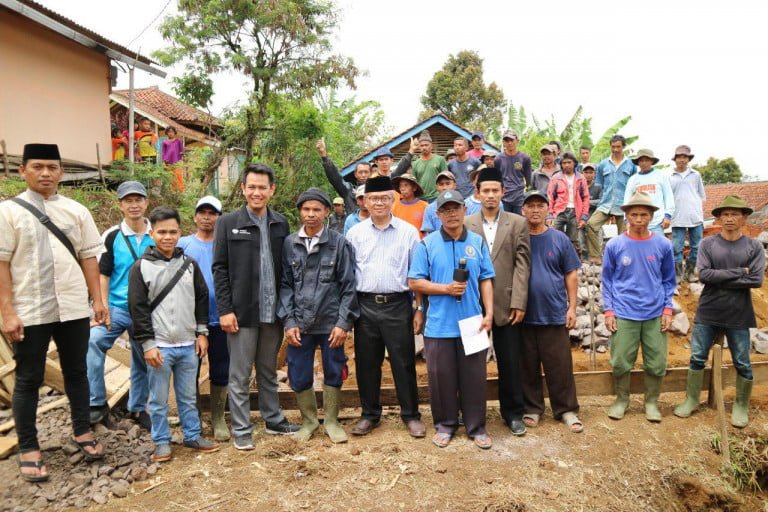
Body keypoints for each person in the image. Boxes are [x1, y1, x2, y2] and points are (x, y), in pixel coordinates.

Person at [0, 143, 107, 482]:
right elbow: (1, 264)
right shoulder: (8, 213)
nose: (45, 173)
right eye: (37, 166)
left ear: (61, 171)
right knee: (28, 378)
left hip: (73, 306)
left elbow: (90, 257)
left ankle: (81, 431)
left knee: (76, 372)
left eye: (51, 167)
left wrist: (98, 300)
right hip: (30, 309)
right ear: (23, 171)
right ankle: (30, 446)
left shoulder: (76, 211)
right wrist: (7, 312)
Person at [212, 163, 299, 450]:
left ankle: (273, 419)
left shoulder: (280, 223)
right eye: (252, 187)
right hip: (242, 313)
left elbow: (287, 268)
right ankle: (241, 427)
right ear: (243, 189)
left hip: (272, 313)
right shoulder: (227, 223)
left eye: (263, 187)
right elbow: (220, 268)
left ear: (272, 190)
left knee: (267, 369)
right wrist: (225, 309)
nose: (257, 192)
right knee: (239, 373)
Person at [129, 207, 220, 461]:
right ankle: (161, 440)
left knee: (188, 395)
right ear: (151, 233)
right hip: (160, 345)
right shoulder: (141, 268)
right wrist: (148, 344)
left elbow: (201, 298)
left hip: (188, 343)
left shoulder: (189, 265)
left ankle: (192, 435)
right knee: (158, 399)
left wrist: (202, 333)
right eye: (161, 232)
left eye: (172, 232)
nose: (167, 237)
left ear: (180, 233)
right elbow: (137, 308)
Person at [409, 189, 495, 449]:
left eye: (455, 208)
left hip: (473, 322)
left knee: (474, 377)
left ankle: (476, 426)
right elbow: (415, 281)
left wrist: (489, 313)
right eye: (445, 209)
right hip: (438, 323)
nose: (451, 214)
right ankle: (445, 425)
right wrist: (445, 288)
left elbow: (486, 279)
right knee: (441, 377)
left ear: (464, 210)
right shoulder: (427, 244)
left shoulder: (478, 243)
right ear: (438, 215)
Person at [674, 196, 765, 427]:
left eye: (735, 214)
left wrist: (721, 276)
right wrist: (739, 272)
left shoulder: (753, 246)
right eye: (725, 214)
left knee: (742, 361)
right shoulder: (708, 244)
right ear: (718, 218)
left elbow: (755, 280)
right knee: (697, 357)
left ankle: (740, 405)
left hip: (739, 312)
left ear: (744, 218)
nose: (730, 218)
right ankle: (692, 399)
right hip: (709, 310)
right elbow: (704, 275)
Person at [278, 188, 359, 443]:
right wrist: (289, 320)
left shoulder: (339, 243)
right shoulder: (290, 244)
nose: (311, 214)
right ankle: (310, 421)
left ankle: (332, 420)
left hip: (330, 322)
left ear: (326, 212)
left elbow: (348, 285)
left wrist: (343, 323)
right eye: (306, 209)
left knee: (334, 369)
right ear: (300, 211)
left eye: (317, 210)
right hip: (300, 323)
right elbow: (285, 285)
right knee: (299, 371)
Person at [346, 176, 425, 438]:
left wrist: (418, 308)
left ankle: (411, 415)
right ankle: (370, 414)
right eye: (374, 198)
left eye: (384, 197)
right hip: (365, 306)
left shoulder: (408, 232)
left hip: (398, 305)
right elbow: (348, 276)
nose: (379, 202)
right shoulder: (355, 233)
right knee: (367, 364)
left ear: (393, 200)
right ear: (365, 201)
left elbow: (416, 274)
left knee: (403, 363)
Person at [465, 167, 530, 436]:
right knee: (471, 362)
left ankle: (513, 413)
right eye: (485, 191)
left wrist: (519, 301)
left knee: (510, 362)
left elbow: (523, 264)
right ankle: (470, 413)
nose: (490, 195)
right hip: (472, 305)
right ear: (477, 194)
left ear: (503, 192)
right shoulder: (466, 223)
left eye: (495, 190)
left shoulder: (517, 223)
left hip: (506, 303)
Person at [602, 191, 676, 422]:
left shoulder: (663, 244)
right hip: (624, 312)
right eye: (634, 214)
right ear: (626, 216)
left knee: (656, 362)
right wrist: (609, 310)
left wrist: (667, 309)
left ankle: (651, 402)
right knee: (621, 360)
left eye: (644, 214)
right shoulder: (615, 245)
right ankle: (622, 400)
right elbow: (608, 280)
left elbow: (668, 280)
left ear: (652, 215)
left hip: (654, 313)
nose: (639, 219)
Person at [87, 181, 154, 428]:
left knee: (143, 356)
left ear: (146, 203)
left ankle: (138, 407)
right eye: (128, 200)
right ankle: (96, 401)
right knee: (94, 342)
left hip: (147, 310)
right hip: (117, 307)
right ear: (120, 205)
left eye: (138, 200)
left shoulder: (157, 233)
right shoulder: (112, 236)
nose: (134, 205)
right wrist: (101, 306)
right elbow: (104, 273)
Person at [519, 191, 583, 433]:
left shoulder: (560, 239)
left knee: (560, 365)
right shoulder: (518, 238)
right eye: (530, 206)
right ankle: (533, 408)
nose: (535, 210)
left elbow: (571, 273)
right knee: (527, 365)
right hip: (523, 314)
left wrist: (572, 307)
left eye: (540, 205)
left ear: (548, 210)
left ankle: (566, 409)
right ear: (523, 210)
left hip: (555, 312)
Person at [177, 196, 229, 441]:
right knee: (191, 369)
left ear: (219, 217)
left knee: (221, 368)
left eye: (212, 213)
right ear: (195, 216)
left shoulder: (225, 243)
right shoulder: (182, 244)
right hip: (190, 319)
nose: (207, 217)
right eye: (203, 212)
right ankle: (193, 417)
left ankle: (218, 417)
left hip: (221, 317)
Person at [586, 135, 636, 262]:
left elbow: (635, 185)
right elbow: (600, 184)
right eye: (613, 146)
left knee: (625, 234)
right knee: (591, 225)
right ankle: (596, 256)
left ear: (623, 147)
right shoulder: (603, 164)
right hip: (606, 203)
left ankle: (623, 259)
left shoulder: (631, 164)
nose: (615, 149)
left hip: (624, 205)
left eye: (618, 146)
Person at [669, 145, 705, 283]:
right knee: (677, 247)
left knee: (697, 247)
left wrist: (699, 212)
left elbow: (701, 195)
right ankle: (678, 274)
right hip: (677, 217)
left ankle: (690, 272)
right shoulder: (669, 176)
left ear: (688, 159)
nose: (682, 160)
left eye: (685, 157)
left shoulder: (696, 175)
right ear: (675, 159)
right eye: (679, 157)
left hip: (695, 217)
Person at [623, 149, 675, 237]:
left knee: (657, 248)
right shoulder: (633, 179)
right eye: (641, 160)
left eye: (646, 160)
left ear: (652, 161)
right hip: (637, 222)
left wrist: (668, 215)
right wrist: (627, 220)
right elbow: (627, 200)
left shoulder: (661, 176)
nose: (644, 163)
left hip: (657, 222)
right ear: (638, 162)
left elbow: (668, 196)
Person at [547, 152, 590, 251]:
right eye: (564, 163)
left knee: (573, 240)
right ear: (561, 164)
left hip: (575, 212)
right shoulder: (556, 177)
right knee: (554, 236)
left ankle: (573, 263)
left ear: (574, 163)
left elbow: (585, 198)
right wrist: (549, 214)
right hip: (559, 211)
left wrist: (584, 216)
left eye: (569, 162)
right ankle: (556, 262)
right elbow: (550, 197)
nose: (566, 165)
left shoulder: (580, 178)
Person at [316, 138, 371, 213]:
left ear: (370, 174)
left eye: (366, 172)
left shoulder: (377, 191)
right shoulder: (349, 191)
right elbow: (335, 178)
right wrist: (324, 157)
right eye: (360, 172)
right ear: (355, 174)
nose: (363, 175)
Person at [395, 130, 448, 202]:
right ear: (419, 147)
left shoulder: (440, 159)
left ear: (431, 146)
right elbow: (413, 182)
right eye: (422, 145)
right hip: (421, 198)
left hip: (436, 197)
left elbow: (446, 179)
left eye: (426, 145)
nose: (424, 147)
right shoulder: (416, 163)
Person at [495, 129, 532, 214]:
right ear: (503, 142)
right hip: (503, 198)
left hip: (519, 198)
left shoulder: (525, 158)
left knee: (518, 223)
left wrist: (528, 196)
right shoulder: (498, 159)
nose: (509, 143)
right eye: (506, 140)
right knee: (504, 224)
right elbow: (497, 180)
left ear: (517, 140)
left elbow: (529, 181)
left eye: (512, 140)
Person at [420, 171, 457, 235]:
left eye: (448, 184)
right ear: (437, 187)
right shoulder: (430, 209)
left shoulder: (464, 205)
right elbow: (428, 233)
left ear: (455, 185)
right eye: (441, 184)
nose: (444, 187)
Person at [580, 163, 602, 261]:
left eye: (591, 172)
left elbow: (601, 201)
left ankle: (595, 260)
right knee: (580, 243)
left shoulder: (598, 186)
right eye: (586, 172)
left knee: (596, 241)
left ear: (594, 174)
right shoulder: (578, 186)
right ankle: (583, 262)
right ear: (582, 173)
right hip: (580, 218)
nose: (588, 174)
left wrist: (587, 202)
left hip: (594, 218)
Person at [161, 126, 185, 191]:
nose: (170, 133)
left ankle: (181, 191)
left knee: (178, 176)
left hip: (177, 162)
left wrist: (182, 160)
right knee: (171, 178)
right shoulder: (164, 142)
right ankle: (173, 192)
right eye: (169, 132)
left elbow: (182, 151)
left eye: (172, 132)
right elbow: (163, 152)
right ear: (166, 133)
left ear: (174, 133)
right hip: (168, 163)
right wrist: (163, 160)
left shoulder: (178, 141)